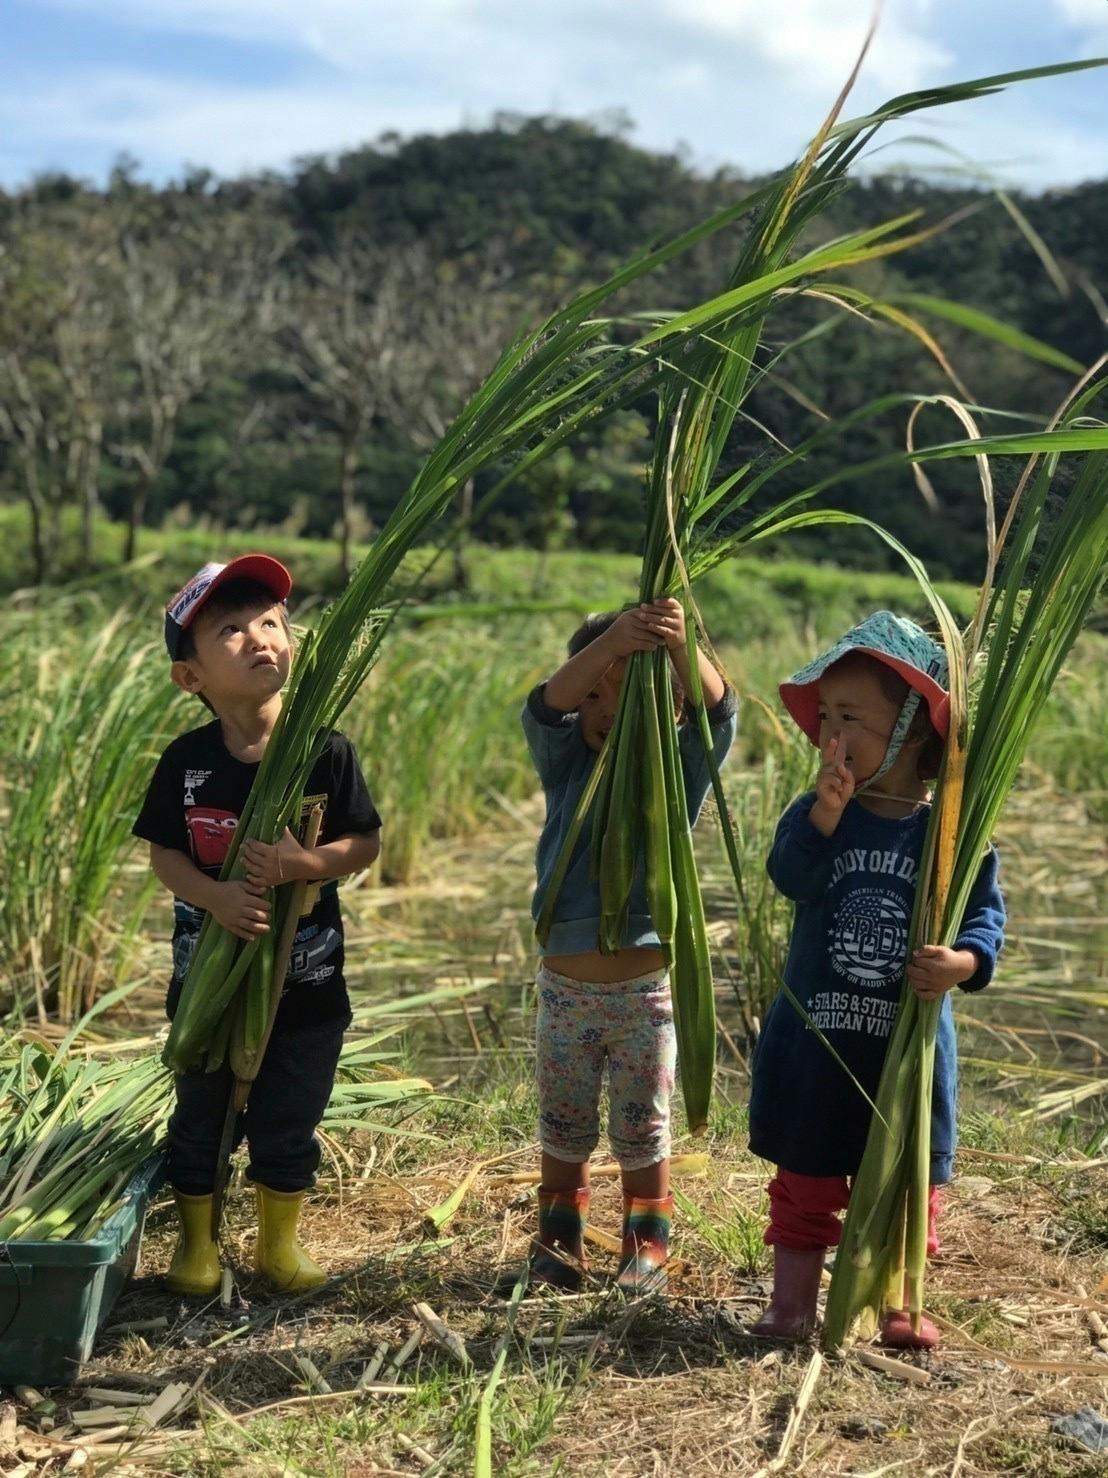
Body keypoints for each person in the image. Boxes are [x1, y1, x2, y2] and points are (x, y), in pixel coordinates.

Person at [748, 611, 1006, 1347]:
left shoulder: (949, 831)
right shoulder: (819, 814)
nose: (832, 734)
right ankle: (790, 1306)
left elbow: (984, 919)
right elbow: (789, 877)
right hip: (819, 1043)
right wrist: (824, 818)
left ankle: (901, 1303)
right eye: (825, 716)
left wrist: (961, 964)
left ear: (913, 729)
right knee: (805, 1179)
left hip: (904, 1055)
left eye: (851, 716)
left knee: (903, 1187)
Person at [133, 555, 382, 1296]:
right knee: (201, 1112)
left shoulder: (323, 750)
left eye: (271, 622)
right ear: (191, 677)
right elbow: (166, 857)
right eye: (232, 630)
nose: (259, 638)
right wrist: (212, 899)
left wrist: (302, 862)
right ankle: (198, 1249)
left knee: (290, 1112)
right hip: (208, 983)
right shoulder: (187, 763)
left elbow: (364, 844)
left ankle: (279, 1246)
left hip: (303, 986)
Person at [521, 597, 737, 1293]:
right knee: (564, 1122)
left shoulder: (677, 771)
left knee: (643, 1127)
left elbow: (721, 712)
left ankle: (647, 1244)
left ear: (669, 708)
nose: (605, 708)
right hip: (568, 991)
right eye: (596, 693)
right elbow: (544, 706)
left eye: (629, 692)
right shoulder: (567, 767)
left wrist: (676, 647)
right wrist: (612, 641)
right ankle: (559, 1240)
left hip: (644, 994)